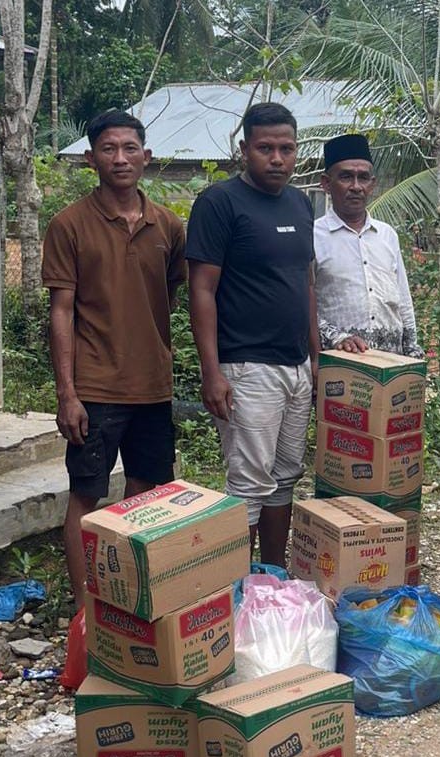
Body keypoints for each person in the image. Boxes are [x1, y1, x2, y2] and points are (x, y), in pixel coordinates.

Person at [42, 109, 187, 606]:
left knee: (146, 492)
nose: (120, 158)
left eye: (130, 148)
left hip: (153, 385)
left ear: (146, 156)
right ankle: (86, 611)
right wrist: (67, 394)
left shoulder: (168, 225)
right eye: (108, 149)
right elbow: (61, 312)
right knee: (87, 493)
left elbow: (169, 293)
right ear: (91, 159)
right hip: (95, 387)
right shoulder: (69, 225)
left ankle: (128, 599)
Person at [186, 102, 320, 565]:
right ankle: (238, 588)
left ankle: (272, 577)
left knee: (285, 477)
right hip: (246, 367)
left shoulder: (300, 203)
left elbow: (305, 282)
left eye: (286, 148)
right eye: (265, 148)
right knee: (249, 483)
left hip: (295, 366)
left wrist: (315, 357)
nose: (277, 158)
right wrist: (212, 372)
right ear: (244, 150)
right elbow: (201, 290)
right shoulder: (219, 203)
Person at [313, 133, 423, 357]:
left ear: (372, 184)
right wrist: (337, 338)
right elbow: (302, 306)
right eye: (346, 177)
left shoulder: (387, 235)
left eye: (363, 178)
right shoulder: (313, 236)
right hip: (340, 364)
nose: (356, 186)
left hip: (390, 362)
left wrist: (412, 351)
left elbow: (403, 300)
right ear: (326, 183)